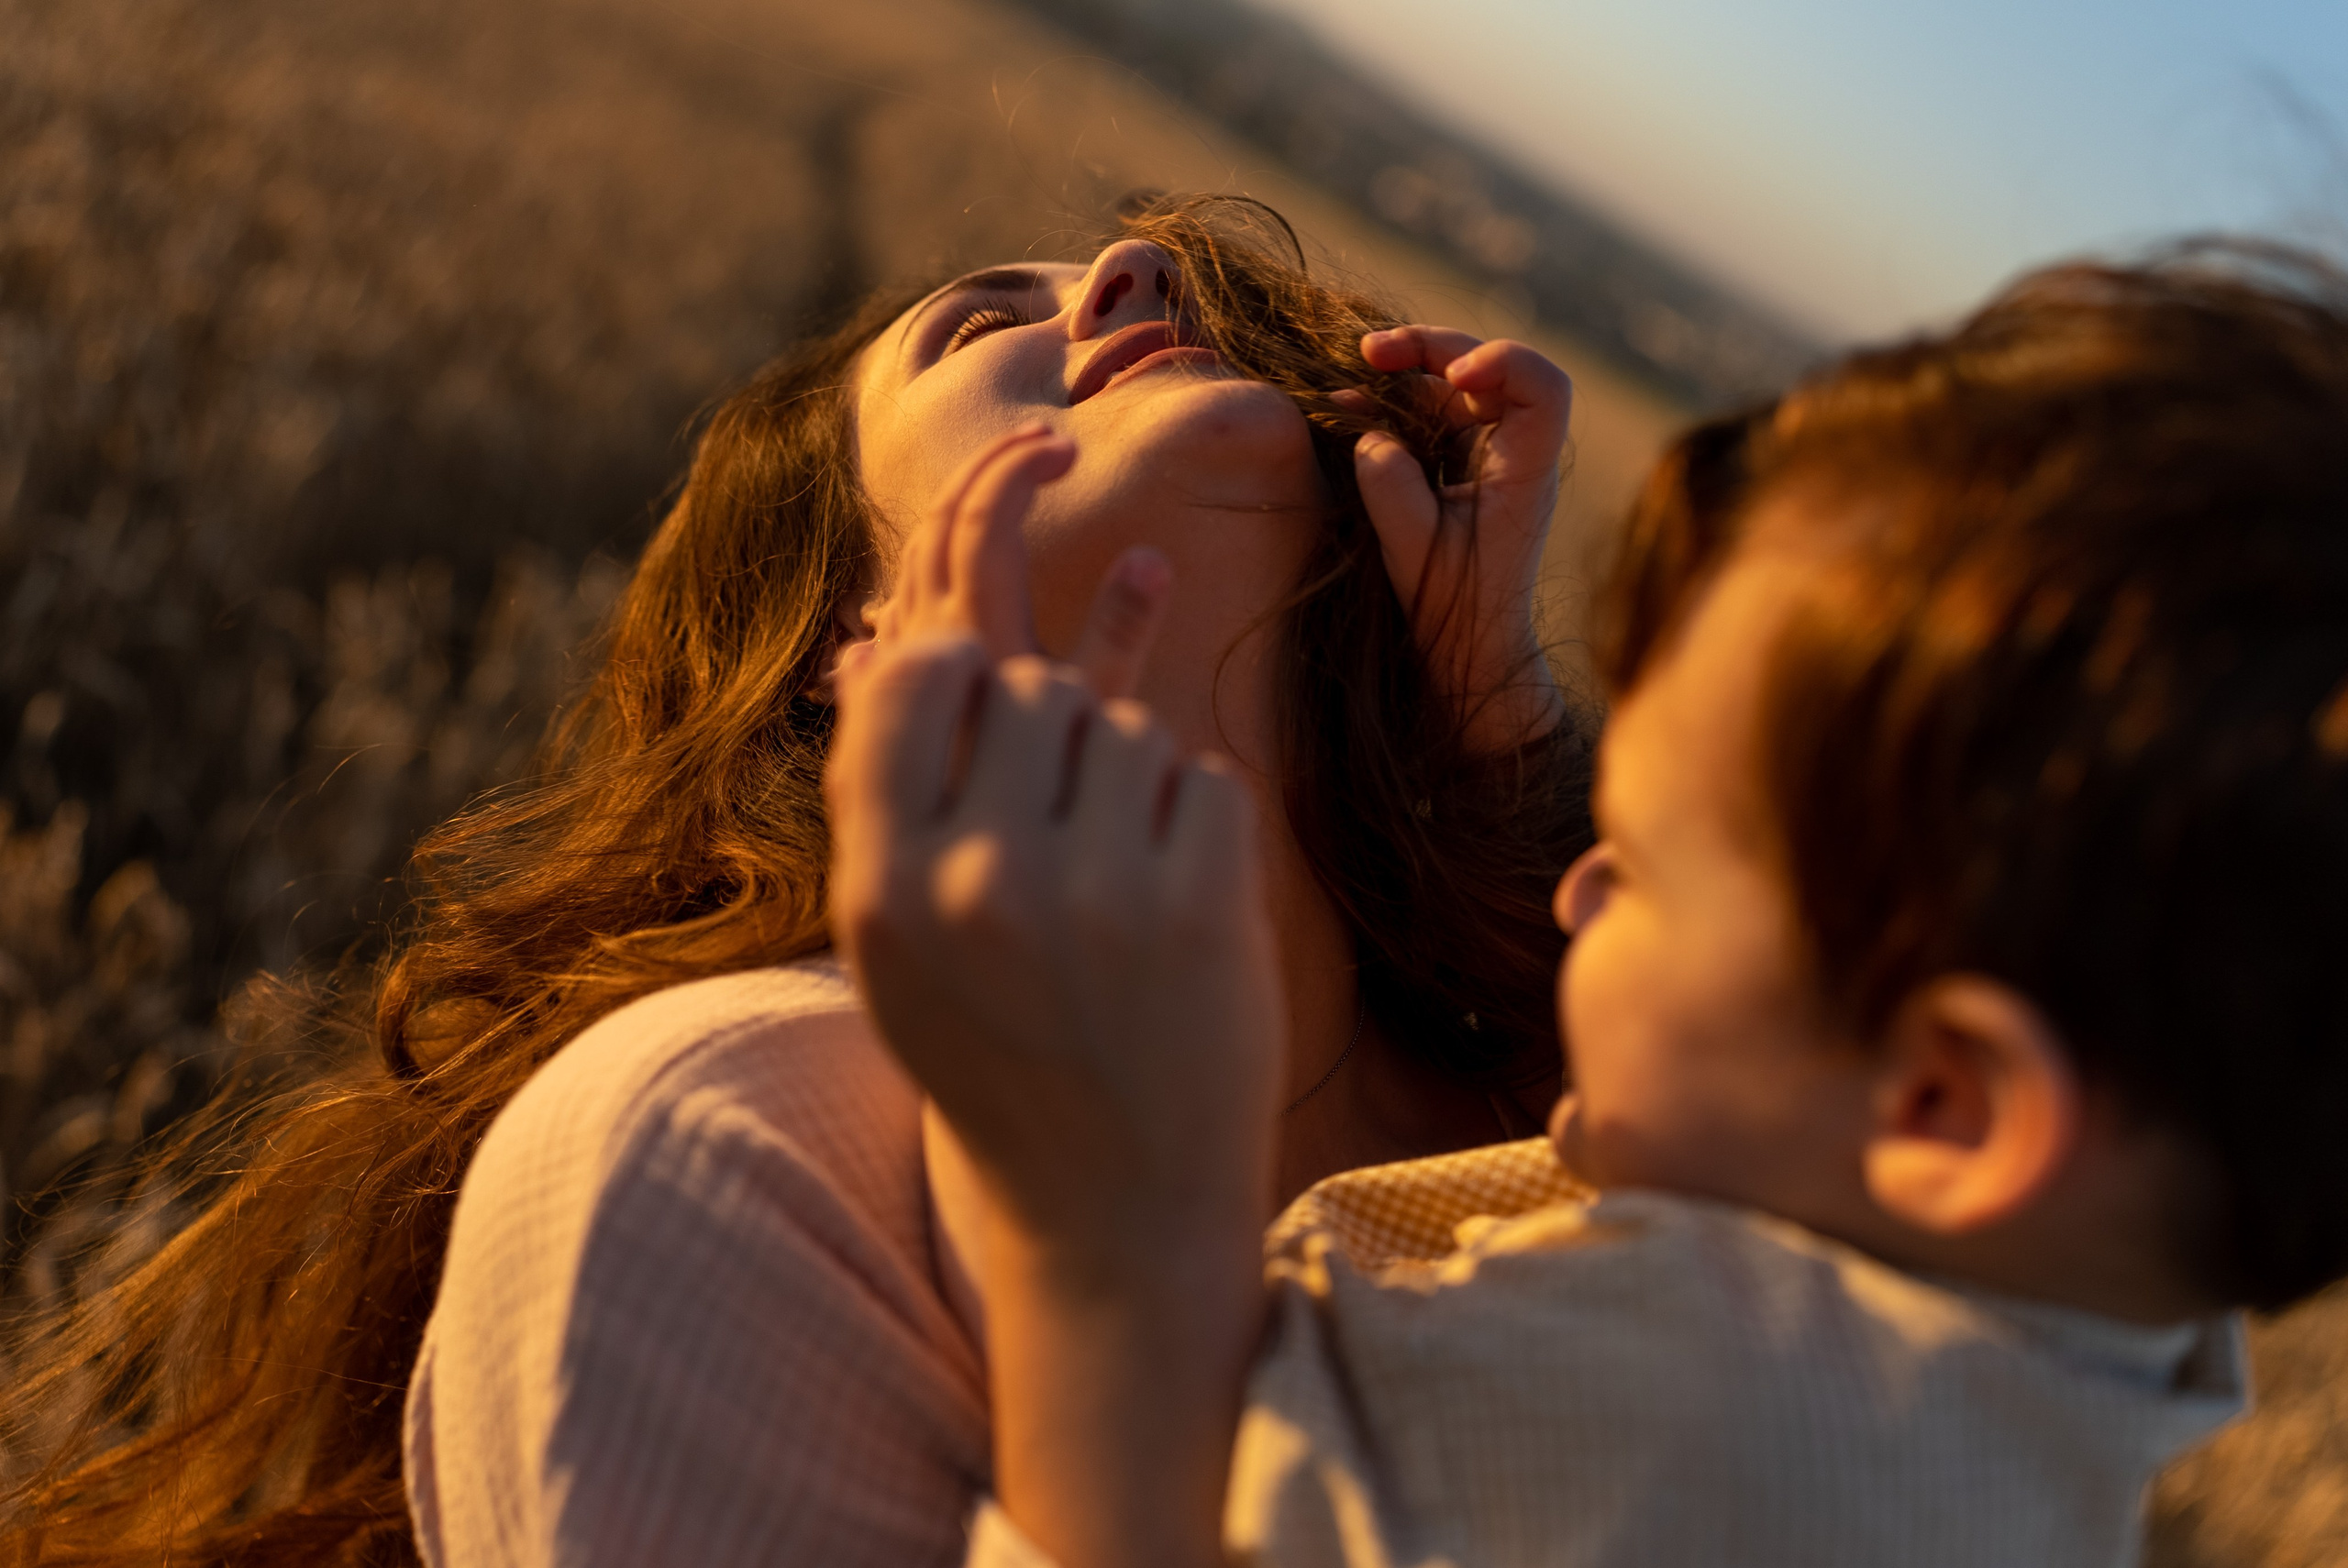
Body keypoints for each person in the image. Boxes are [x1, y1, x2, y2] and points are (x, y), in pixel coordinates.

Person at [0, 196, 1593, 1567]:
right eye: (980, 327)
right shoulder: (734, 1142)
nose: (1137, 270)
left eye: (1166, 285)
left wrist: (1510, 759)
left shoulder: (1577, 1048)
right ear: (849, 634)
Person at [829, 245, 2348, 1568]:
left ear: (1952, 1104)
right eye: (980, 326)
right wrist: (1493, 727)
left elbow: (1168, 1492)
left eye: (1645, 861)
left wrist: (1077, 1232)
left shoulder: (1653, 1409)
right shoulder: (2085, 1326)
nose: (1581, 881)